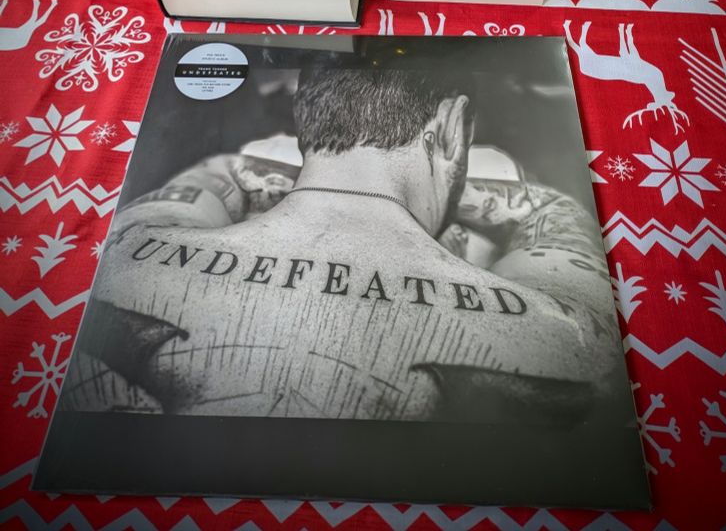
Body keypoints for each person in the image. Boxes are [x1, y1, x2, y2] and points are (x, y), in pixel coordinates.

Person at [61, 63, 620, 423]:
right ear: (452, 126)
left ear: (306, 121)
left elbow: (222, 173)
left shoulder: (127, 261)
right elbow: (550, 213)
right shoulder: (567, 338)